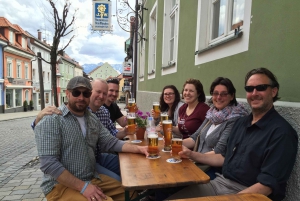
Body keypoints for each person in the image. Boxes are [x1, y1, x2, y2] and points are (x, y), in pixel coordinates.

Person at [167, 68, 298, 201]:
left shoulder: (281, 133)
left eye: (261, 88)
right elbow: (223, 157)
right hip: (220, 183)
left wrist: (230, 199)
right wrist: (191, 154)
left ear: (274, 91)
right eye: (249, 89)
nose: (254, 93)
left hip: (249, 194)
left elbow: (267, 185)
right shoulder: (242, 123)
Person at [34, 76, 148, 201]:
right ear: (67, 93)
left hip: (90, 177)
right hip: (60, 186)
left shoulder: (92, 118)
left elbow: (110, 142)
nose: (81, 97)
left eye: (86, 93)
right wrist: (83, 187)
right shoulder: (52, 119)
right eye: (76, 92)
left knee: (130, 194)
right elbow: (49, 164)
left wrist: (139, 149)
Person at [32, 79, 130, 181]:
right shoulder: (72, 110)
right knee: (117, 179)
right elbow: (44, 132)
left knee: (128, 164)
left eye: (104, 93)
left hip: (98, 155)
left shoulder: (102, 112)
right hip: (82, 164)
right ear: (68, 94)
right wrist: (38, 119)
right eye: (99, 92)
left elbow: (110, 138)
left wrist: (136, 144)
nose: (81, 97)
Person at [182, 77, 248, 179]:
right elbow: (195, 137)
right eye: (215, 93)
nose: (219, 97)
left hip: (212, 170)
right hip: (197, 163)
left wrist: (192, 156)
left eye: (224, 94)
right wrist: (173, 143)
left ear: (232, 96)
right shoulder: (212, 114)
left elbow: (219, 151)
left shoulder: (235, 118)